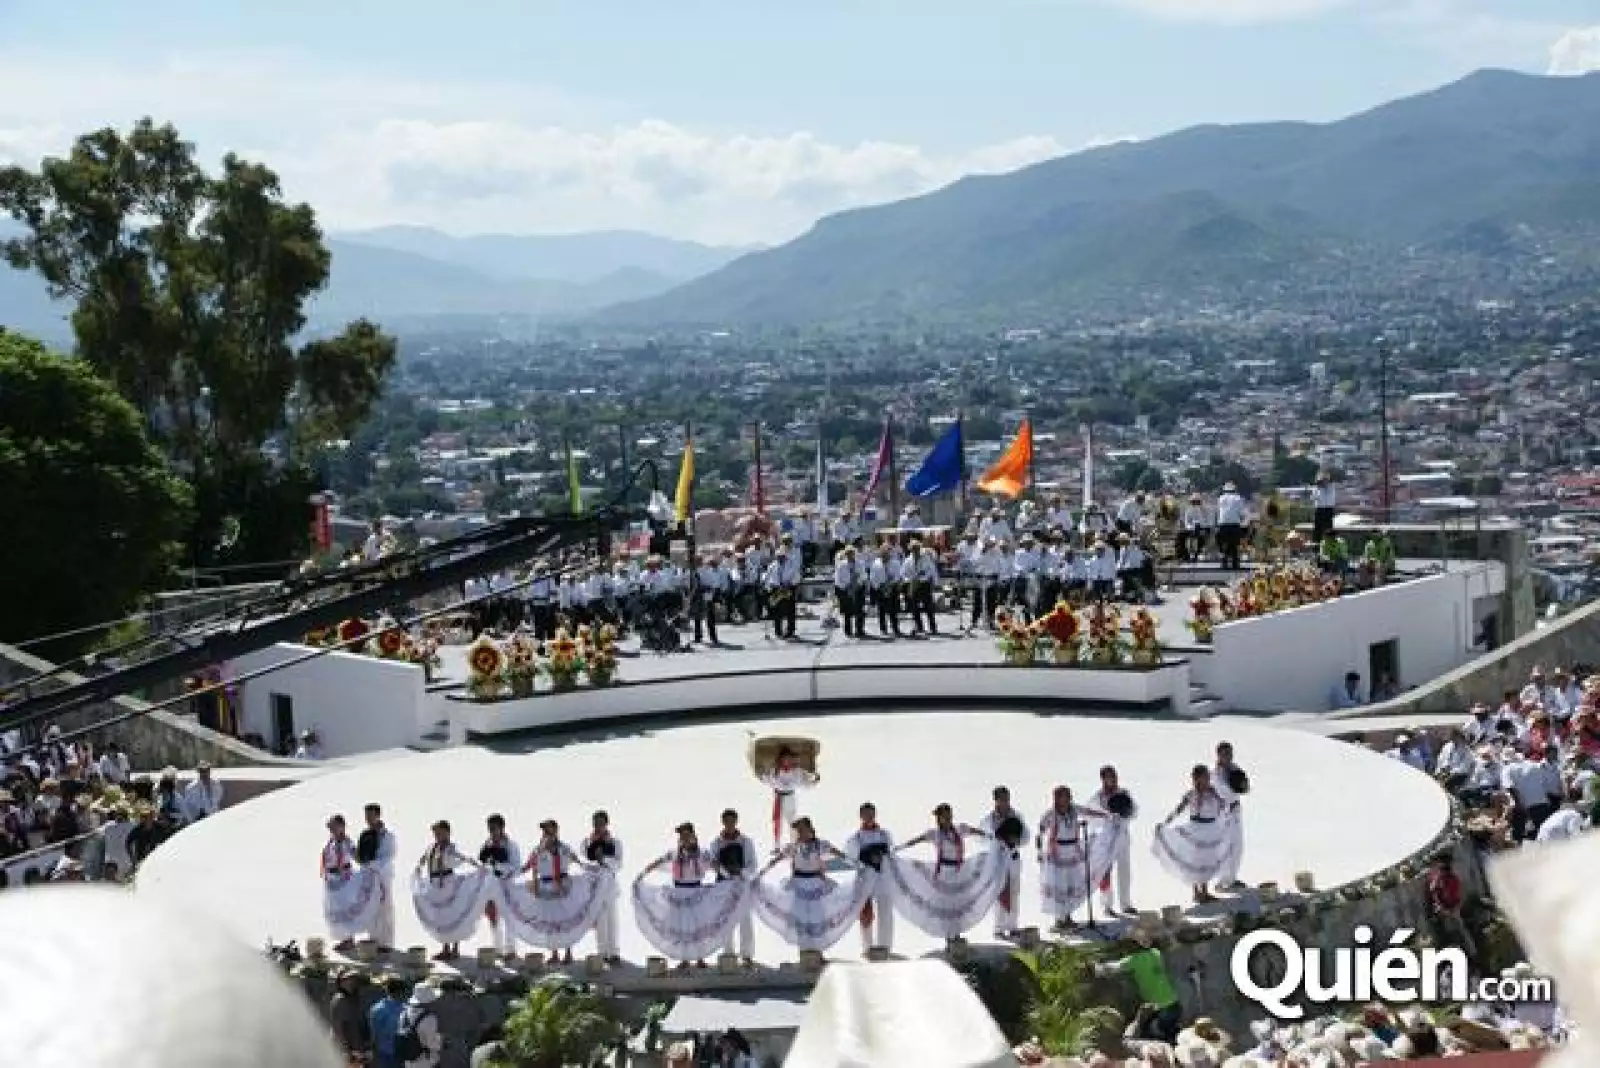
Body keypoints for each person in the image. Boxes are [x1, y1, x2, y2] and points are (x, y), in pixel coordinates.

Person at [633, 822, 750, 970]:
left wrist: (730, 878)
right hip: (679, 894)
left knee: (698, 927)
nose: (684, 837)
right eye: (682, 835)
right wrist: (642, 875)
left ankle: (700, 958)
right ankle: (685, 959)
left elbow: (716, 867)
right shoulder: (675, 853)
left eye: (686, 834)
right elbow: (657, 863)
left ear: (693, 835)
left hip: (696, 893)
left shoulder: (702, 853)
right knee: (682, 927)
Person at [888, 803, 1007, 947]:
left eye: (948, 815)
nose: (946, 818)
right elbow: (915, 841)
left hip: (959, 871)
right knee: (946, 904)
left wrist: (995, 839)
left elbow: (977, 832)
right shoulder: (934, 834)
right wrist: (897, 849)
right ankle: (949, 936)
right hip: (944, 872)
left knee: (959, 903)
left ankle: (956, 934)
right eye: (943, 816)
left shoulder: (960, 829)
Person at [752, 816, 874, 954]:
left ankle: (817, 951)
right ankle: (804, 950)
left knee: (817, 917)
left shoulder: (821, 845)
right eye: (798, 830)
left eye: (803, 829)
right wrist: (761, 873)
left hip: (817, 885)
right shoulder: (793, 847)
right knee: (801, 918)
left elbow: (841, 856)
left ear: (810, 829)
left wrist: (859, 866)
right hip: (798, 885)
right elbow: (775, 861)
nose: (801, 832)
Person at [505, 818, 610, 965]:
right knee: (550, 921)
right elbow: (526, 867)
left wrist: (597, 868)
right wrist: (510, 876)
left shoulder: (564, 849)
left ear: (556, 831)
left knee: (565, 920)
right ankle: (554, 953)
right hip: (545, 888)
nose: (546, 834)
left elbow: (579, 862)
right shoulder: (537, 851)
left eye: (549, 831)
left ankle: (568, 952)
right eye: (544, 831)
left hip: (563, 886)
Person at [1152, 765, 1233, 904]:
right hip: (1196, 829)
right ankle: (1197, 892)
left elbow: (1223, 807)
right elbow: (1179, 810)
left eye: (1207, 777)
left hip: (1211, 828)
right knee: (1196, 860)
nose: (1206, 781)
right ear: (1196, 779)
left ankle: (1205, 891)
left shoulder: (1213, 793)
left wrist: (1226, 813)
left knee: (1209, 859)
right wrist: (1166, 823)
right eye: (1202, 778)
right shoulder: (1192, 795)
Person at [1035, 786, 1111, 933]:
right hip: (1057, 854)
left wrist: (1105, 815)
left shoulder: (1074, 809)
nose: (1066, 799)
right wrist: (1039, 851)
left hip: (1072, 852)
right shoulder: (1051, 814)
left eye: (1068, 796)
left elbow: (1088, 812)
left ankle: (1068, 916)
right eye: (1063, 796)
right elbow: (1040, 833)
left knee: (1070, 885)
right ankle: (1059, 919)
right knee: (1059, 886)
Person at [410, 819, 484, 962]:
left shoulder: (450, 848)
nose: (436, 835)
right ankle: (445, 948)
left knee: (453, 913)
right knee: (440, 916)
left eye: (439, 832)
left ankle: (455, 948)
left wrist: (476, 865)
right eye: (435, 832)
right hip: (435, 884)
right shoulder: (432, 847)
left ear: (447, 832)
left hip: (448, 882)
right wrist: (418, 868)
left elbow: (462, 858)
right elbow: (423, 860)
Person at [1094, 930, 1182, 1043]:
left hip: (1160, 1009)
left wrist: (1097, 967)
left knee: (1155, 1036)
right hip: (1174, 1003)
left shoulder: (1135, 960)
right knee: (1170, 1032)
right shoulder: (1156, 953)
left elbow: (1113, 967)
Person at [844, 801, 895, 956]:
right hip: (866, 877)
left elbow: (892, 852)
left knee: (885, 912)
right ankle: (867, 947)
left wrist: (881, 856)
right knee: (865, 913)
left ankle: (885, 946)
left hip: (883, 877)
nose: (869, 817)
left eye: (871, 814)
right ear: (861, 816)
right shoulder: (856, 837)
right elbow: (851, 857)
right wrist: (867, 856)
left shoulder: (884, 834)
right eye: (866, 814)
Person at [981, 786, 1029, 940]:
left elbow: (1026, 836)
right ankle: (999, 928)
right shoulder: (989, 819)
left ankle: (1013, 926)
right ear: (995, 800)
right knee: (1000, 893)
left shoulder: (1017, 815)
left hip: (1013, 858)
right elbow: (981, 838)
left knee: (1014, 892)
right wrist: (996, 838)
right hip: (998, 860)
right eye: (1001, 799)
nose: (1005, 801)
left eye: (1007, 798)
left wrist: (1017, 840)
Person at [712, 809, 759, 967]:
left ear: (736, 822)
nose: (729, 825)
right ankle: (728, 954)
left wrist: (741, 872)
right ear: (723, 822)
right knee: (726, 920)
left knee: (745, 920)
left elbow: (753, 864)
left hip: (742, 885)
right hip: (724, 886)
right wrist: (726, 872)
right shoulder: (716, 843)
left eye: (732, 821)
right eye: (727, 822)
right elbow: (713, 864)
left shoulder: (746, 841)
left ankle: (747, 955)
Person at [1089, 765, 1138, 915]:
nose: (1114, 779)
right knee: (1105, 873)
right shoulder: (1097, 797)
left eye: (1115, 776)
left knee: (1125, 871)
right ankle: (1107, 906)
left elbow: (1134, 811)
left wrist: (1127, 813)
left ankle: (1126, 904)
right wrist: (1107, 816)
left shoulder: (1124, 793)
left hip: (1122, 836)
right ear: (1103, 779)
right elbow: (1091, 817)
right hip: (1107, 839)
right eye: (1110, 777)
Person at [580, 810, 625, 965]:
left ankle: (614, 953)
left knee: (612, 919)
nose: (598, 826)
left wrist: (603, 859)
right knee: (600, 921)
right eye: (595, 823)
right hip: (595, 884)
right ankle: (603, 953)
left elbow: (619, 864)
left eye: (601, 823)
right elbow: (583, 862)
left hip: (610, 884)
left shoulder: (615, 842)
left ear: (606, 823)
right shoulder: (586, 841)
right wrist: (595, 862)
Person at [478, 814, 523, 960]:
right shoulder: (487, 844)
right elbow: (482, 861)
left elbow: (516, 866)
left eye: (494, 828)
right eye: (489, 828)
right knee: (493, 917)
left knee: (509, 917)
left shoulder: (510, 845)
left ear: (502, 828)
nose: (491, 832)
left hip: (507, 884)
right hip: (491, 885)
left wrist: (499, 867)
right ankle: (497, 948)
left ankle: (511, 950)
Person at [759, 746, 820, 852]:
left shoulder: (797, 771)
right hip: (778, 796)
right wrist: (764, 776)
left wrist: (814, 781)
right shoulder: (775, 770)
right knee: (777, 821)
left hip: (790, 797)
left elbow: (805, 783)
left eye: (789, 758)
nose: (786, 761)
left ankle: (795, 843)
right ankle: (777, 846)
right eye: (784, 759)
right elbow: (767, 780)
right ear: (780, 760)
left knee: (792, 821)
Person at [1212, 741, 1249, 892]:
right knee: (1225, 847)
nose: (1228, 756)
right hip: (1223, 813)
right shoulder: (1215, 773)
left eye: (1230, 753)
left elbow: (1243, 786)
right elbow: (1223, 791)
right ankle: (1221, 881)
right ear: (1219, 755)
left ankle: (1232, 878)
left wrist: (1243, 785)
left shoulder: (1234, 768)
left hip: (1236, 811)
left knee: (1238, 846)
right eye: (1225, 753)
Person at [394, 982, 443, 1068]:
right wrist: (442, 1041)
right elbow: (432, 1044)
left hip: (408, 1061)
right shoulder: (429, 1018)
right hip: (425, 1061)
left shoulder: (403, 1014)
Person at [368, 976, 409, 1068]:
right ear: (400, 991)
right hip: (399, 1053)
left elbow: (373, 1033)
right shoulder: (405, 1009)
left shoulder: (376, 1008)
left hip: (382, 1051)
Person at [1215, 482, 1245, 571]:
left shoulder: (1220, 498)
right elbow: (1242, 513)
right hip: (1234, 525)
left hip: (1222, 525)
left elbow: (1218, 512)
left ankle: (1224, 562)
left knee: (1224, 543)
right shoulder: (1238, 498)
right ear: (1234, 490)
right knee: (1234, 544)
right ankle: (1235, 563)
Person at [1311, 473, 1337, 545]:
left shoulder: (1331, 487)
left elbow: (1332, 497)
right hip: (1320, 509)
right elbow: (1313, 498)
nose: (1325, 482)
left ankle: (1329, 543)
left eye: (1326, 480)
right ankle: (1316, 545)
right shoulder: (1316, 488)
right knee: (1317, 529)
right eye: (1323, 480)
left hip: (1328, 509)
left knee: (1328, 527)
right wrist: (1319, 489)